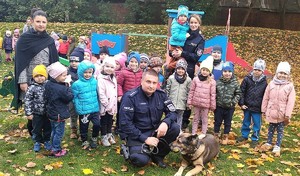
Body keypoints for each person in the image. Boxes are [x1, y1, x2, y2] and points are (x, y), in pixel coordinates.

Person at [119, 69, 180, 168]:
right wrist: (145, 139)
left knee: (175, 128)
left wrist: (165, 123)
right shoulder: (130, 97)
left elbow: (173, 112)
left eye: (154, 83)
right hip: (137, 134)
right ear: (141, 81)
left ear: (157, 84)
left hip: (155, 131)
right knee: (139, 160)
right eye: (148, 82)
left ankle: (157, 155)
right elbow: (125, 124)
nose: (151, 86)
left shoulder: (161, 95)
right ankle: (141, 150)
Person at [14, 9, 59, 136]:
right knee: (32, 106)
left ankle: (45, 132)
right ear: (32, 21)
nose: (41, 24)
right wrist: (22, 81)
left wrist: (57, 79)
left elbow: (53, 61)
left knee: (45, 105)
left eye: (43, 22)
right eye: (38, 21)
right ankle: (33, 132)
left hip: (46, 79)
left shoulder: (49, 40)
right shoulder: (24, 39)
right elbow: (20, 62)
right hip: (30, 78)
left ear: (47, 23)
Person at [169, 14, 205, 130]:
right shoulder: (182, 33)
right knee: (173, 92)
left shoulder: (200, 39)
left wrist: (182, 54)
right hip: (175, 67)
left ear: (199, 24)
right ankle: (170, 117)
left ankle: (183, 121)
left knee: (185, 95)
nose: (193, 25)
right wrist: (173, 53)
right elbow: (174, 47)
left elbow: (196, 57)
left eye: (196, 23)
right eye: (191, 22)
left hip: (188, 70)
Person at [260, 62, 295, 156]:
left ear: (288, 75)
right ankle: (268, 142)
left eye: (285, 73)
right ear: (276, 73)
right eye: (280, 73)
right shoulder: (271, 84)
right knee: (270, 128)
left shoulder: (290, 86)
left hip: (282, 113)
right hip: (271, 111)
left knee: (280, 130)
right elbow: (266, 97)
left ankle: (277, 145)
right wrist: (263, 109)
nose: (282, 75)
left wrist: (288, 114)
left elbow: (291, 102)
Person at [236, 59, 268, 148]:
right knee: (246, 122)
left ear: (262, 71)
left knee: (257, 124)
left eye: (259, 70)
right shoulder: (247, 79)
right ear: (252, 69)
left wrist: (264, 107)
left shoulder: (264, 82)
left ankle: (255, 138)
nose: (257, 72)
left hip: (258, 107)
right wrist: (241, 103)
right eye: (255, 69)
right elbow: (241, 91)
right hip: (247, 105)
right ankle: (244, 135)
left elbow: (266, 95)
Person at [45, 62, 73, 157]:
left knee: (53, 130)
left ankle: (52, 145)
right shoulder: (62, 88)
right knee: (59, 132)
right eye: (64, 76)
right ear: (56, 76)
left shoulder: (48, 84)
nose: (65, 77)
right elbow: (69, 97)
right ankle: (56, 149)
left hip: (51, 112)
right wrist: (68, 86)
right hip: (59, 114)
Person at [72, 60, 100, 149]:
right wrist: (78, 108)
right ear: (81, 72)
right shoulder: (76, 84)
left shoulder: (95, 81)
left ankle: (94, 137)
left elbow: (98, 93)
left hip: (95, 108)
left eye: (90, 72)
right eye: (85, 72)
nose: (88, 74)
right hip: (84, 110)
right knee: (84, 126)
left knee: (97, 124)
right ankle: (84, 140)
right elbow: (74, 97)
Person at [24, 65, 51, 152]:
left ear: (45, 76)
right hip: (36, 113)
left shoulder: (49, 85)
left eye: (41, 75)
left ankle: (47, 140)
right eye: (37, 76)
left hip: (48, 113)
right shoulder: (31, 88)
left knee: (48, 128)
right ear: (33, 77)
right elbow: (28, 101)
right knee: (36, 129)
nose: (39, 78)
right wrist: (29, 113)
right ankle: (37, 141)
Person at [214, 61, 242, 145]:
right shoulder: (218, 82)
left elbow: (238, 93)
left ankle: (225, 135)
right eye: (225, 71)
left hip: (229, 107)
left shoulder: (235, 83)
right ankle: (216, 134)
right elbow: (214, 92)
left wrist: (233, 102)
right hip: (219, 106)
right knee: (217, 121)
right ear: (222, 72)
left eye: (229, 71)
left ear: (232, 72)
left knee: (227, 122)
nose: (227, 73)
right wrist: (215, 101)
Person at [188, 57, 216, 136]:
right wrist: (189, 102)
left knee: (204, 119)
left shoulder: (212, 82)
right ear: (200, 69)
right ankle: (194, 133)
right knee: (195, 118)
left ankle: (204, 133)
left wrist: (212, 106)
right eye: (203, 70)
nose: (204, 72)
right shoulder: (195, 79)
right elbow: (191, 91)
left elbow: (213, 94)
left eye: (207, 70)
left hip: (206, 104)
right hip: (196, 103)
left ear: (209, 71)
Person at [165, 59, 191, 130]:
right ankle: (169, 130)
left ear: (185, 70)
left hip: (181, 102)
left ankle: (178, 130)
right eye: (179, 68)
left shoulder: (188, 80)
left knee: (179, 117)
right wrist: (166, 100)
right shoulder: (171, 78)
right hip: (172, 102)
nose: (180, 71)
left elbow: (189, 92)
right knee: (171, 117)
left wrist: (188, 102)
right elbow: (168, 89)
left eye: (182, 69)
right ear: (176, 69)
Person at [97, 57, 118, 147]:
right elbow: (101, 94)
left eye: (112, 67)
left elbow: (114, 91)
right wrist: (106, 104)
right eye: (107, 66)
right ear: (103, 67)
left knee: (110, 120)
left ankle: (109, 134)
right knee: (104, 121)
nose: (109, 69)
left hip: (112, 104)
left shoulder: (113, 78)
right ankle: (104, 136)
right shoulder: (101, 79)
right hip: (105, 106)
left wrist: (113, 104)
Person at [68, 47, 84, 139]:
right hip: (71, 96)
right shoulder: (67, 71)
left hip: (82, 97)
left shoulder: (84, 72)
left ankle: (83, 131)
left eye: (76, 61)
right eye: (72, 61)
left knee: (82, 114)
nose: (73, 63)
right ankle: (73, 130)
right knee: (73, 114)